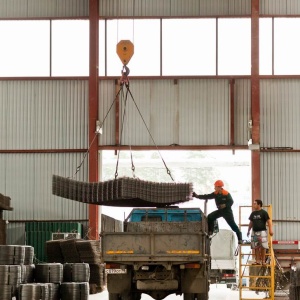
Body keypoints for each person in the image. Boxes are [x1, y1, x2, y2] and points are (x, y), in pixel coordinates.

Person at [192, 180, 243, 244]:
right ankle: (211, 230)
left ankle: (240, 238)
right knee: (210, 217)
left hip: (227, 212)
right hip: (220, 211)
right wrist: (197, 196)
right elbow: (207, 196)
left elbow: (231, 202)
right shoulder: (216, 193)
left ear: (219, 187)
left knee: (233, 225)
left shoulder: (226, 193)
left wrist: (225, 205)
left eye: (215, 186)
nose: (214, 188)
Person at [247, 199, 274, 265]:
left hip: (262, 232)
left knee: (263, 246)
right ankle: (258, 261)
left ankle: (263, 261)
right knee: (256, 247)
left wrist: (270, 229)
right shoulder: (253, 213)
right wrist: (248, 230)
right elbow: (251, 222)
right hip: (255, 232)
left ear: (259, 204)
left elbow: (269, 221)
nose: (254, 205)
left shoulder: (264, 213)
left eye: (255, 203)